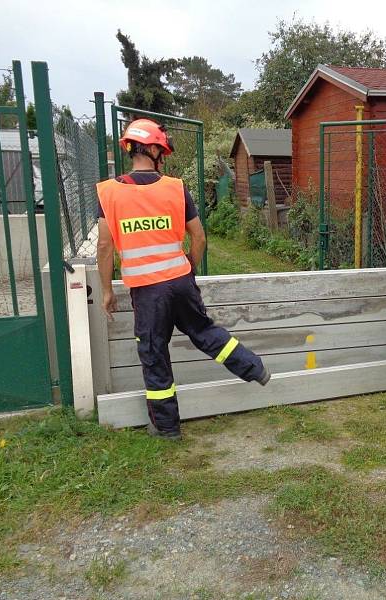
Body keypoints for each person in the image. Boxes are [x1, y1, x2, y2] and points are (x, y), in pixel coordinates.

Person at [95, 118, 270, 439]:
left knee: (153, 351)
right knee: (203, 331)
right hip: (180, 281)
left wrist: (107, 290)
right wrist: (187, 266)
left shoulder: (109, 194)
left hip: (148, 292)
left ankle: (166, 427)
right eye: (161, 150)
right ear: (151, 149)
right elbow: (199, 238)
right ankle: (253, 366)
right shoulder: (176, 188)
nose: (164, 156)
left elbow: (105, 246)